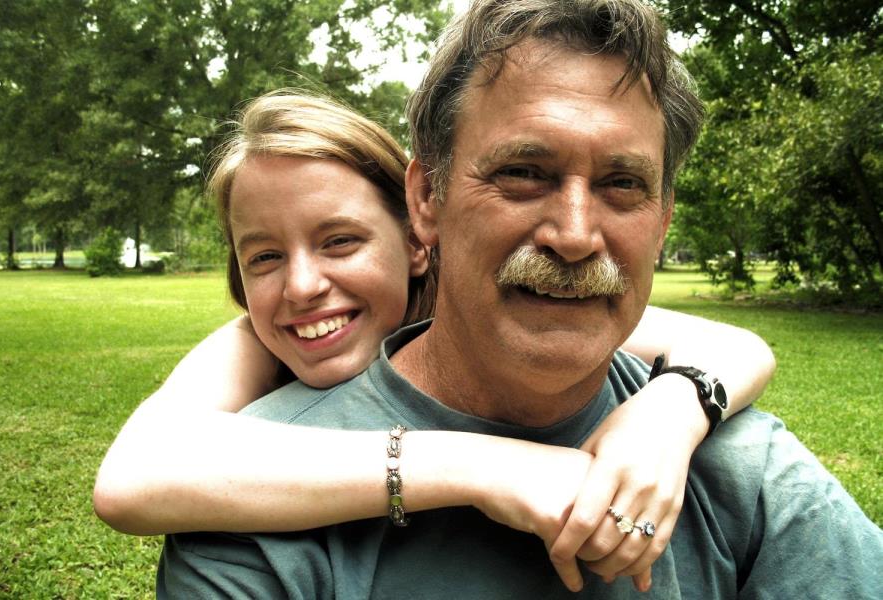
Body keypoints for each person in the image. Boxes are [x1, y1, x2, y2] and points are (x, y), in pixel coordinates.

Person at [156, 0, 883, 597]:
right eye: (525, 172)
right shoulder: (255, 510)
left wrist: (676, 405)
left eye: (622, 184)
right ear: (426, 199)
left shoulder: (743, 469)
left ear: (663, 222)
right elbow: (140, 474)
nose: (574, 235)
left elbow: (737, 348)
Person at [93, 88, 776, 591]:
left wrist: (668, 414)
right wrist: (483, 466)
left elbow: (741, 348)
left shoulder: (497, 306)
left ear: (419, 237)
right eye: (264, 256)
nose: (302, 285)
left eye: (340, 241)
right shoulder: (250, 343)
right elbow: (130, 484)